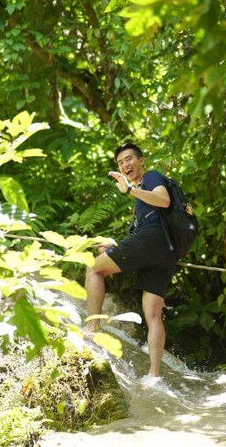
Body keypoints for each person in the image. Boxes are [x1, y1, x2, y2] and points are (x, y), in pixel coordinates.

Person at [84, 142, 176, 378]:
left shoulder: (152, 177)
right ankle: (154, 374)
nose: (125, 165)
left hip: (153, 242)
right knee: (153, 314)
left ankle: (92, 328)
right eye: (120, 163)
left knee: (94, 268)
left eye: (128, 159)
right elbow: (141, 233)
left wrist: (128, 190)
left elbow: (163, 200)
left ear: (141, 160)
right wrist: (116, 246)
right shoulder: (141, 195)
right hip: (165, 250)